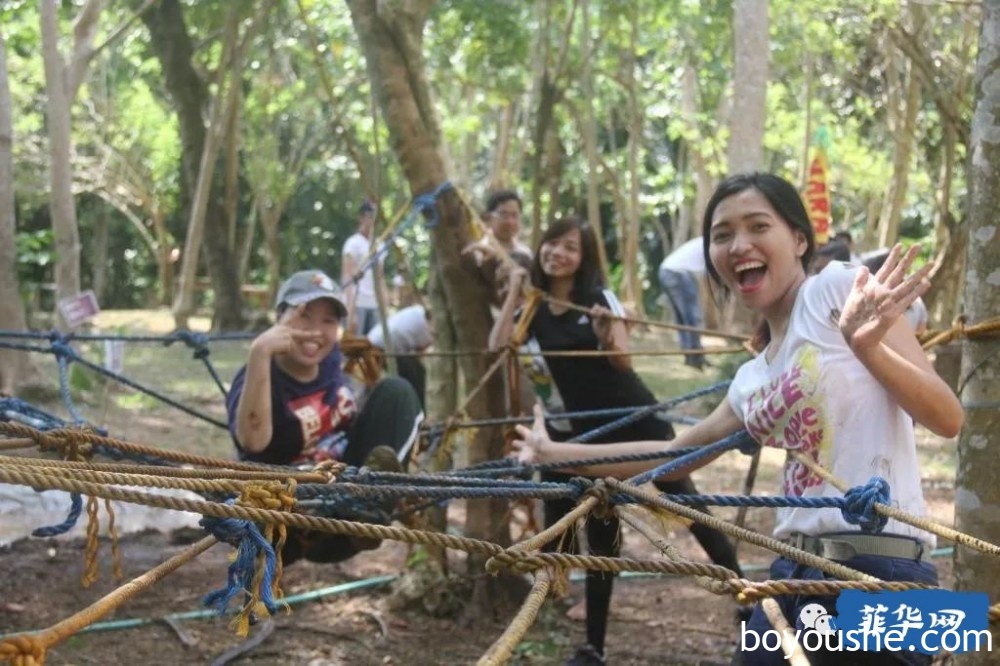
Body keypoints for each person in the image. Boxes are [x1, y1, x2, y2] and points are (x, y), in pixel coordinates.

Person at [512, 174, 963, 666]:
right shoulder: (751, 377)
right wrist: (550, 453)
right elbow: (671, 455)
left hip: (888, 572)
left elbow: (948, 417)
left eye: (757, 226)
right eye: (722, 235)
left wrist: (867, 346)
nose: (738, 244)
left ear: (797, 239)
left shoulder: (838, 290)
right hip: (791, 573)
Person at [492, 216, 743, 666]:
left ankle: (746, 600)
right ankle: (595, 647)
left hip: (634, 422)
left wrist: (610, 332)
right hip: (585, 435)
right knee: (600, 527)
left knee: (689, 510)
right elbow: (498, 346)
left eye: (570, 247)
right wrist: (514, 286)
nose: (558, 253)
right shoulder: (532, 307)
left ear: (584, 257)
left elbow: (625, 364)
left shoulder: (598, 300)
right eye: (553, 243)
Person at [227, 269, 424, 564]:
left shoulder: (330, 357)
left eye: (328, 321)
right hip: (288, 508)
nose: (315, 331)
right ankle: (290, 538)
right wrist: (259, 353)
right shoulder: (258, 377)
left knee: (397, 391)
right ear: (279, 318)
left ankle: (370, 511)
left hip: (348, 505)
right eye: (303, 316)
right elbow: (253, 442)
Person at [367, 304, 434, 409]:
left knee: (416, 372)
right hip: (381, 348)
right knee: (416, 376)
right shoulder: (425, 327)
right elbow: (420, 350)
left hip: (378, 342)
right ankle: (417, 409)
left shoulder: (418, 311)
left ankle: (415, 406)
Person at [658, 236, 709, 370]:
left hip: (665, 270)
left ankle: (690, 354)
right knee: (691, 317)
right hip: (678, 273)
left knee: (682, 318)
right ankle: (696, 357)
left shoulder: (702, 241)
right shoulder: (711, 242)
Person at [341, 201, 385, 335]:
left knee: (375, 345)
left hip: (375, 304)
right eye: (370, 215)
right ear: (361, 218)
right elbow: (347, 275)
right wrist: (350, 308)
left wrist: (385, 305)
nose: (372, 220)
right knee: (354, 343)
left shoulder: (380, 244)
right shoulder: (353, 243)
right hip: (358, 302)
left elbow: (380, 277)